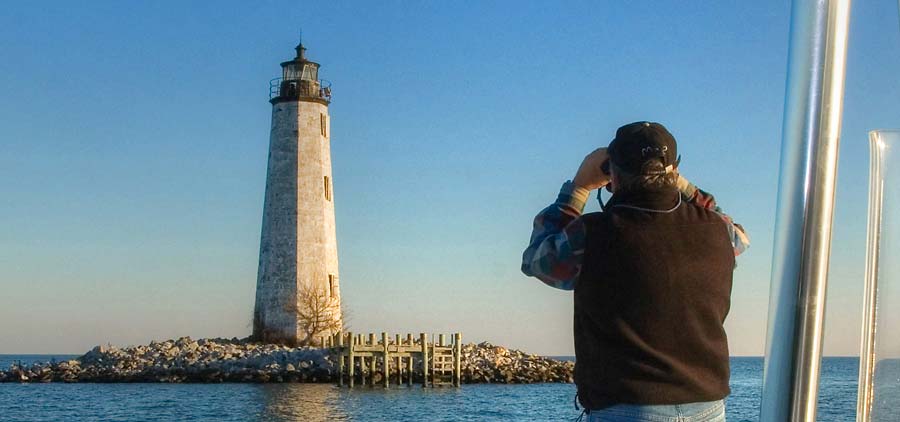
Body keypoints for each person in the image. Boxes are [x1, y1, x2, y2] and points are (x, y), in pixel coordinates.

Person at [521, 121, 749, 422]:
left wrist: (578, 188)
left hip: (628, 408)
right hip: (707, 407)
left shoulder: (592, 234)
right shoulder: (718, 231)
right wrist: (680, 183)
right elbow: (740, 238)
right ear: (675, 171)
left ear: (612, 175)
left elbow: (537, 260)